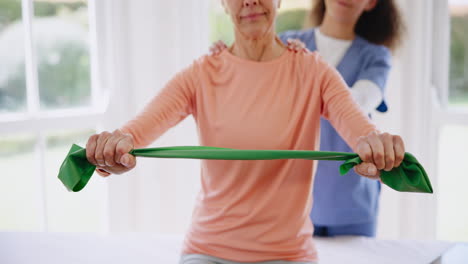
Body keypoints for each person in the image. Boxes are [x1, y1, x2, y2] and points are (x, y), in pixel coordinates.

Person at [86, 0, 405, 263]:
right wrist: (115, 147)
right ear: (223, 4)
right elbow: (137, 131)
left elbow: (360, 129)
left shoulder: (315, 72)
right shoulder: (201, 74)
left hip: (289, 255)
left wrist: (377, 148)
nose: (249, 1)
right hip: (208, 251)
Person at [209, 0, 404, 238]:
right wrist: (225, 60)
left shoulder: (375, 56)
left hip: (351, 204)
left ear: (370, 3)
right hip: (291, 198)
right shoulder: (286, 41)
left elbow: (359, 102)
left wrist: (304, 76)